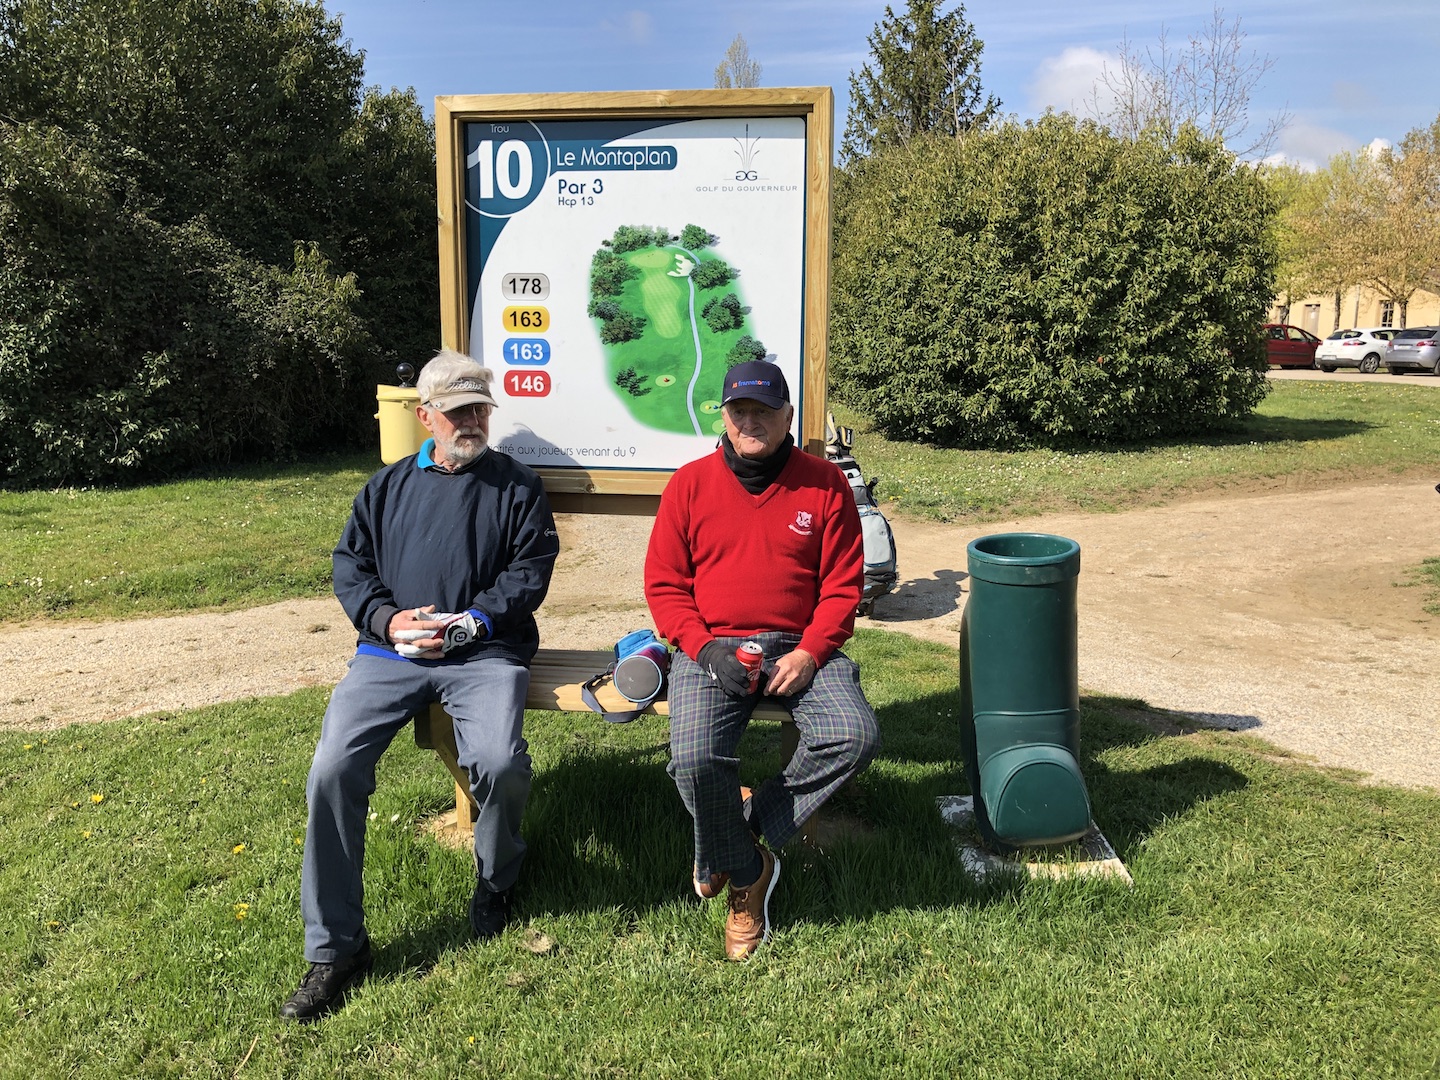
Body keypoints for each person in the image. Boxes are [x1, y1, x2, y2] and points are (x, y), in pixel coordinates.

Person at [280, 349, 559, 1021]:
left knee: (497, 762)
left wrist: (476, 619)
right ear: (426, 415)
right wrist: (388, 619)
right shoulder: (386, 487)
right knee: (332, 769)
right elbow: (351, 566)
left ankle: (496, 881)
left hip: (484, 652)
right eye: (458, 410)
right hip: (391, 654)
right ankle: (336, 948)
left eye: (480, 409)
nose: (472, 421)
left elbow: (531, 569)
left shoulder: (516, 487)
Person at [643, 359, 880, 960]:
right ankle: (748, 873)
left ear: (788, 416)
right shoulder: (689, 485)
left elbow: (842, 589)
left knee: (853, 734)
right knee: (694, 758)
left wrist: (810, 651)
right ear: (723, 416)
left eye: (765, 411)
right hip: (714, 646)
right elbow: (665, 586)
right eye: (739, 411)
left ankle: (740, 831)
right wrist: (703, 648)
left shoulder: (825, 485)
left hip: (801, 645)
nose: (752, 422)